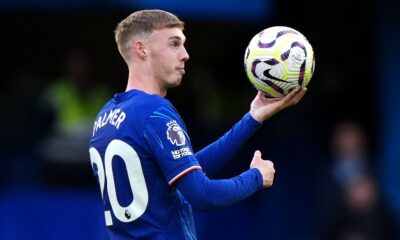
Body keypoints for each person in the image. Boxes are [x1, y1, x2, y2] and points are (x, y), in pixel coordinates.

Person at [89, 9, 306, 240]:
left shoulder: (106, 116)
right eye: (174, 44)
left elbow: (183, 170)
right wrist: (256, 177)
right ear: (142, 49)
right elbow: (203, 195)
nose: (185, 55)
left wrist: (252, 119)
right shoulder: (154, 112)